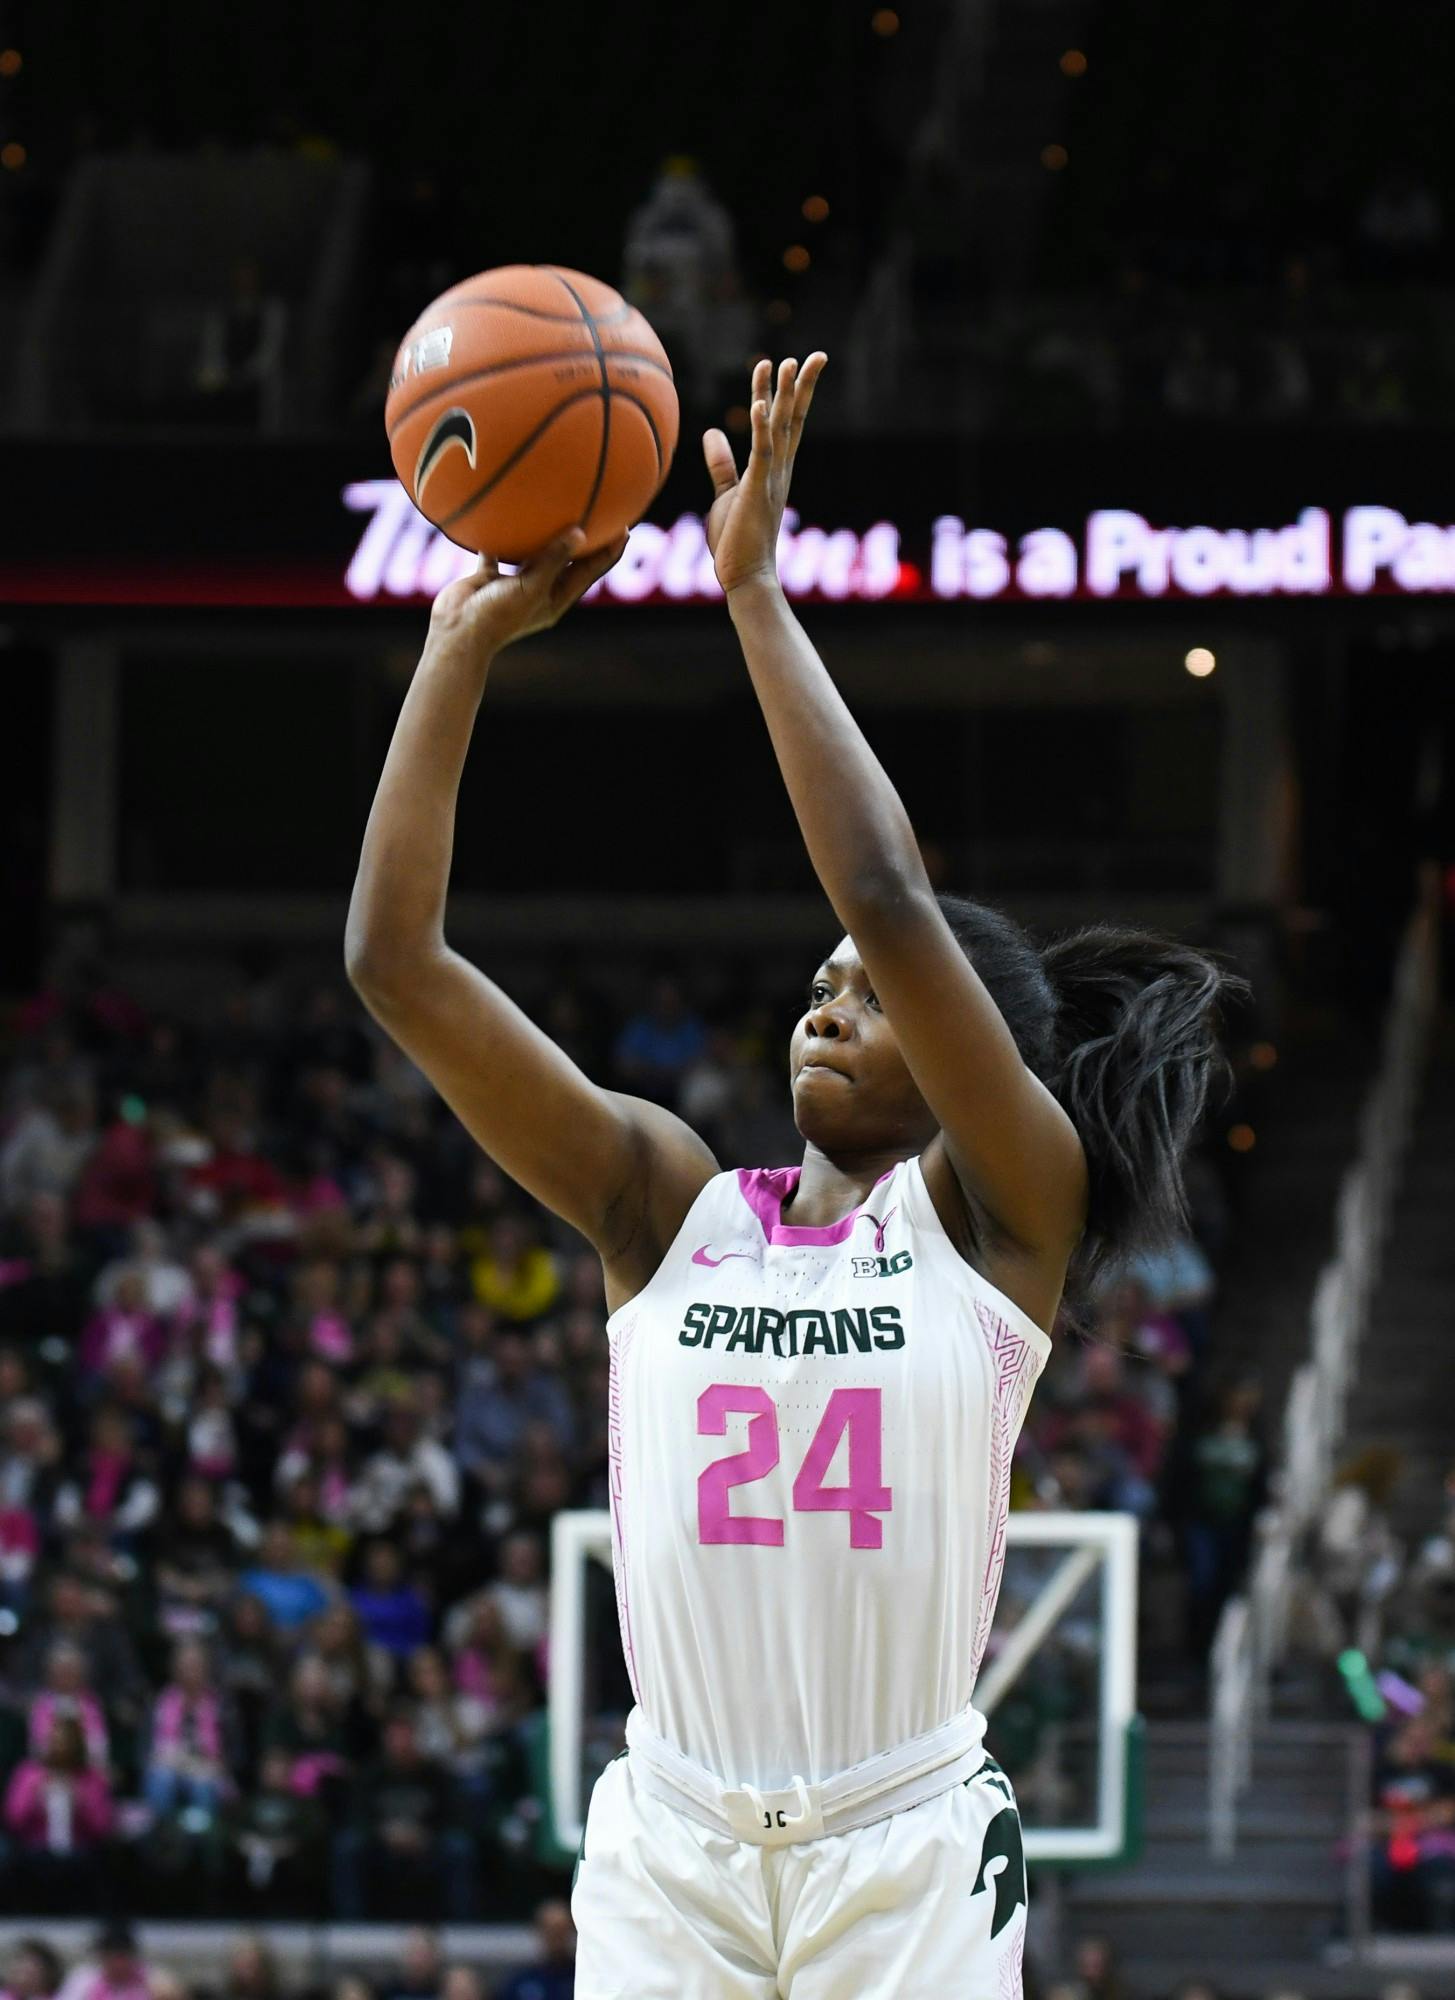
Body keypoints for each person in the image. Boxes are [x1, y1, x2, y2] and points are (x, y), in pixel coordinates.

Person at [347, 351, 1236, 1997]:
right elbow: (397, 963)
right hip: (671, 1839)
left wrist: (750, 589)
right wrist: (456, 655)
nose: (832, 994)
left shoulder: (999, 1216)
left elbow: (891, 892)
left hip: (899, 1844)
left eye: (871, 993)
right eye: (816, 983)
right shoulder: (664, 1208)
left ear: (969, 1053)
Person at [493, 1900, 576, 2000]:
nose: (556, 1937)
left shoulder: (585, 1979)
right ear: (539, 1931)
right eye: (551, 1931)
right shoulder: (521, 1983)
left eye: (561, 1930)